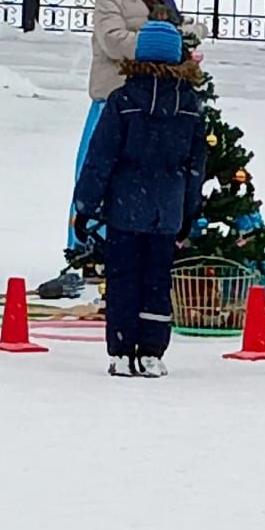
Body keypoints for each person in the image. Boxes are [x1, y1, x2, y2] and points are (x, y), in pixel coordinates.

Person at [72, 20, 207, 377]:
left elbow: (101, 157)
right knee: (157, 281)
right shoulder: (190, 105)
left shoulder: (123, 100)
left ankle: (120, 349)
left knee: (123, 278)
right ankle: (152, 351)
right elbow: (196, 165)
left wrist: (85, 206)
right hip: (167, 211)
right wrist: (189, 210)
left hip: (125, 209)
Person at [69, 0, 180, 259]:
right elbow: (112, 39)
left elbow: (182, 30)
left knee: (136, 177)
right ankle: (88, 244)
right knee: (99, 170)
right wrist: (158, 45)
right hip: (113, 98)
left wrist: (186, 37)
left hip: (150, 102)